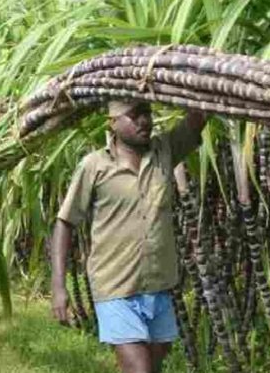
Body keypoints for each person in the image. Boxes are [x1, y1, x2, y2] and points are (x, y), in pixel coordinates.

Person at [50, 101, 207, 373]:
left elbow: (199, 117)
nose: (143, 121)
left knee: (153, 368)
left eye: (146, 112)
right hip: (115, 287)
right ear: (112, 122)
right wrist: (58, 286)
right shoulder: (94, 166)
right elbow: (65, 223)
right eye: (133, 115)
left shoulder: (164, 151)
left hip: (159, 286)